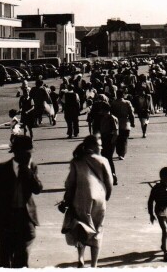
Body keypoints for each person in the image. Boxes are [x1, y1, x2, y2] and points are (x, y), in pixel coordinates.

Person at [0, 135, 43, 268]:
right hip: (6, 219)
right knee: (4, 260)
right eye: (27, 153)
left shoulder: (31, 167)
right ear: (17, 152)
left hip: (25, 218)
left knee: (22, 259)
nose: (30, 156)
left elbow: (37, 189)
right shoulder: (1, 169)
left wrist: (27, 170)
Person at [61, 135, 113, 268]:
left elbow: (70, 183)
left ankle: (81, 258)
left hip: (80, 198)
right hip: (99, 199)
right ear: (94, 146)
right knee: (97, 229)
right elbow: (109, 182)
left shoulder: (76, 161)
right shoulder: (103, 160)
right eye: (99, 145)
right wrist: (106, 197)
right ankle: (94, 265)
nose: (101, 147)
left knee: (81, 228)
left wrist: (67, 199)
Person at [148, 167, 167, 262]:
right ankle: (165, 253)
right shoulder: (156, 188)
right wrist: (151, 214)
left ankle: (164, 245)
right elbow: (150, 201)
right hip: (160, 211)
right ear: (162, 178)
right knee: (165, 231)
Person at [111, 90, 135, 159]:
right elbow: (131, 114)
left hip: (116, 123)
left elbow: (111, 113)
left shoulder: (113, 103)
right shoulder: (127, 102)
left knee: (118, 139)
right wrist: (132, 122)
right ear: (123, 95)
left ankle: (119, 153)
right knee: (124, 139)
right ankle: (122, 154)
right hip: (125, 123)